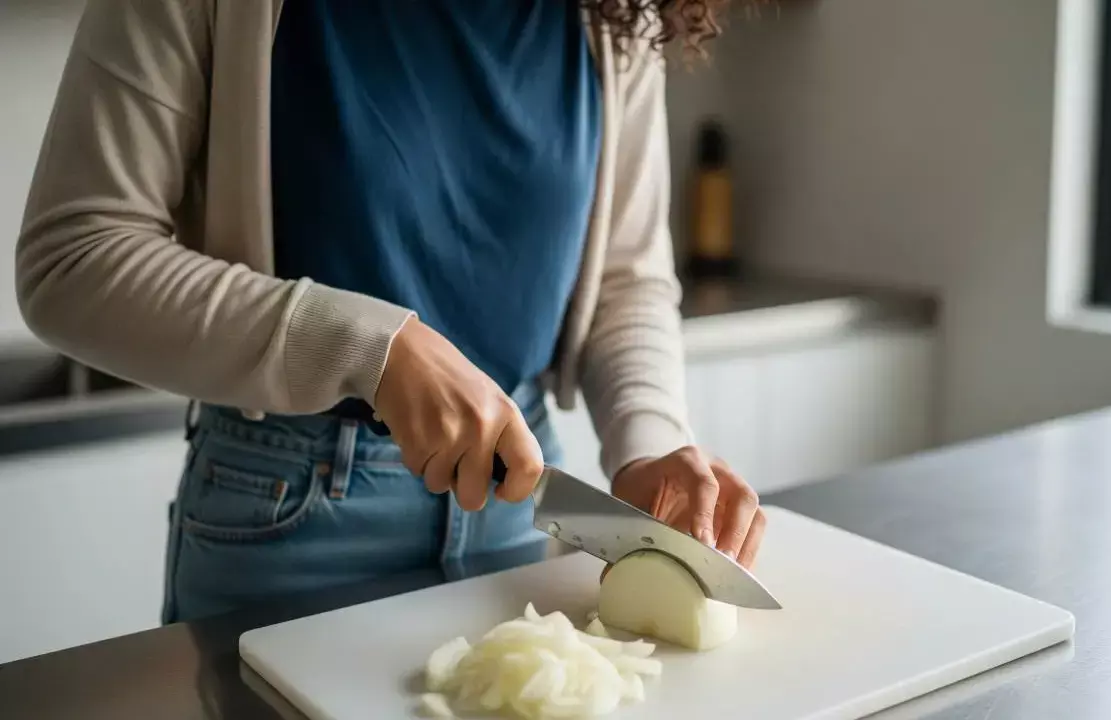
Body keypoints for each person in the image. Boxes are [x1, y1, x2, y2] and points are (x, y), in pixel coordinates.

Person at [15, 0, 766, 624]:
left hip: (520, 501)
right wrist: (371, 349)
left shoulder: (614, 14)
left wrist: (650, 444)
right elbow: (74, 258)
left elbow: (626, 278)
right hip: (288, 519)